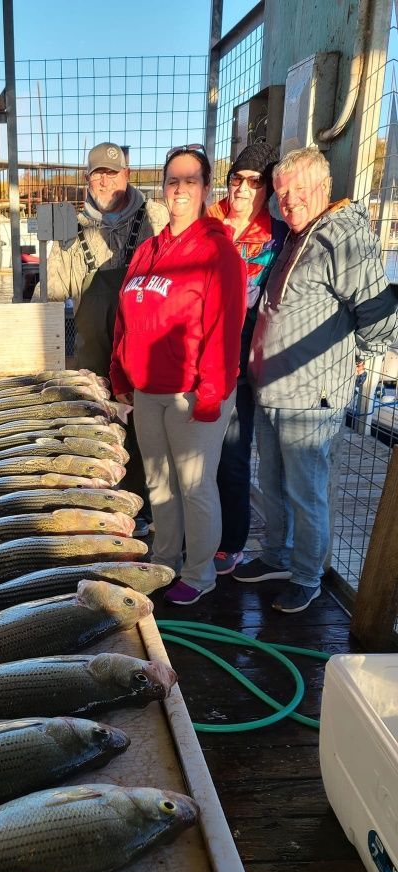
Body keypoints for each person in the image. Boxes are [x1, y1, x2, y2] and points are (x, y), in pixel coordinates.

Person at [234, 145, 398, 613]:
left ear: (323, 188)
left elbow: (380, 312)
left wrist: (362, 355)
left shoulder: (341, 234)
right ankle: (276, 556)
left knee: (306, 492)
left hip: (311, 396)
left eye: (299, 190)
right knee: (273, 481)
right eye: (282, 194)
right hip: (273, 389)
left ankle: (307, 575)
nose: (289, 201)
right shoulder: (296, 235)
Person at [109, 144, 246, 605]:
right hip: (148, 390)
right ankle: (165, 561)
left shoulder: (218, 250)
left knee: (195, 487)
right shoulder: (148, 249)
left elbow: (226, 328)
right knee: (159, 483)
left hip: (193, 393)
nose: (180, 188)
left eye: (191, 180)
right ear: (163, 189)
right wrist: (120, 375)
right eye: (173, 180)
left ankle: (200, 572)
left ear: (206, 188)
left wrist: (211, 393)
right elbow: (125, 317)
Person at [43, 142, 168, 532]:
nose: (104, 180)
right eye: (97, 173)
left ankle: (142, 512)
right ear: (87, 178)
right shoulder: (64, 220)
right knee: (91, 431)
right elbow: (48, 294)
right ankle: (93, 510)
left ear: (127, 176)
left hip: (142, 353)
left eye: (112, 173)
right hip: (91, 356)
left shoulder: (157, 215)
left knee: (144, 434)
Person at [206, 141, 288, 575]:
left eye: (254, 182)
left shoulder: (278, 234)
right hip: (196, 358)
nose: (241, 188)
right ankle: (191, 534)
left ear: (267, 190)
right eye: (236, 179)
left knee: (233, 455)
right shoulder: (204, 222)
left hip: (240, 364)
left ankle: (231, 541)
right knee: (192, 457)